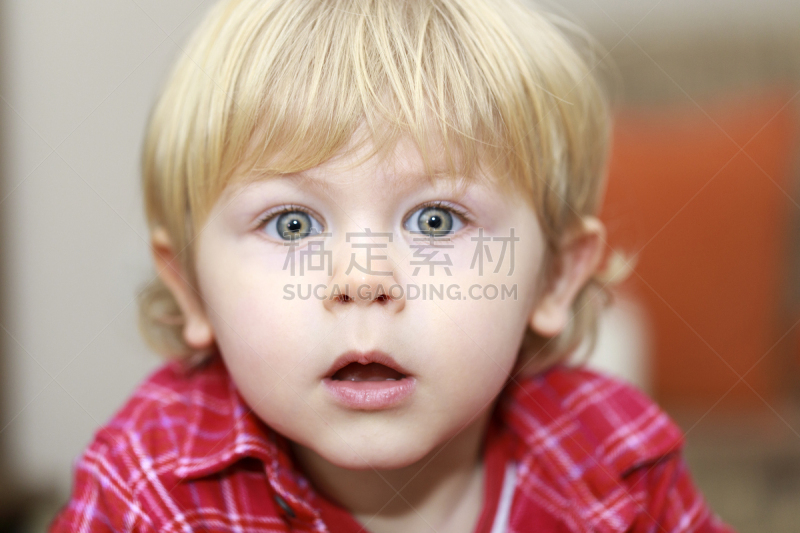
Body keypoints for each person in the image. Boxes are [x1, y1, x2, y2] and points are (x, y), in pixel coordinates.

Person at [50, 0, 735, 531]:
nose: (363, 279)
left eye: (435, 220)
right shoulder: (148, 490)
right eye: (293, 224)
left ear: (553, 276)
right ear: (190, 288)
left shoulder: (619, 465)